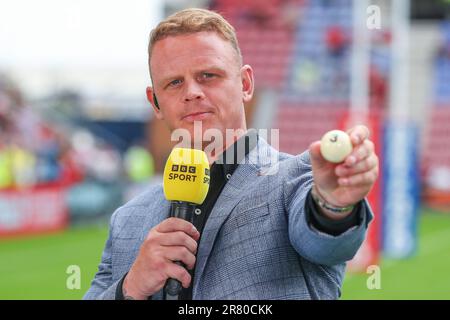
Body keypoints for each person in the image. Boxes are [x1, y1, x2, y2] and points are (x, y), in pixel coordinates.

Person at [84, 8, 378, 300]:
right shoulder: (126, 220)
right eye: (174, 83)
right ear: (156, 102)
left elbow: (327, 244)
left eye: (208, 75)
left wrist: (333, 206)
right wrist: (130, 288)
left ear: (245, 84)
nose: (192, 92)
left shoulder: (297, 180)